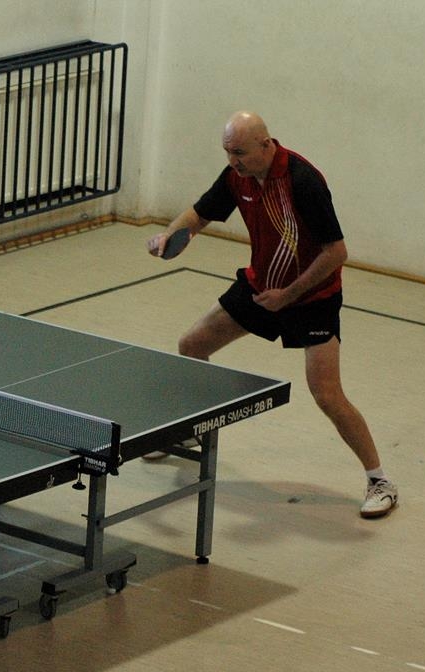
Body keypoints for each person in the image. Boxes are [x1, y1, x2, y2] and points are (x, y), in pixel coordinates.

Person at [146, 111, 398, 519]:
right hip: (261, 287)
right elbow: (201, 212)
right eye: (228, 152)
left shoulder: (303, 181)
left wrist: (290, 295)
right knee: (191, 345)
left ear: (266, 145)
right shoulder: (238, 177)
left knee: (327, 394)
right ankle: (192, 430)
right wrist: (171, 234)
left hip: (312, 298)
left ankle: (379, 480)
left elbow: (336, 252)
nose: (233, 161)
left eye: (240, 153)